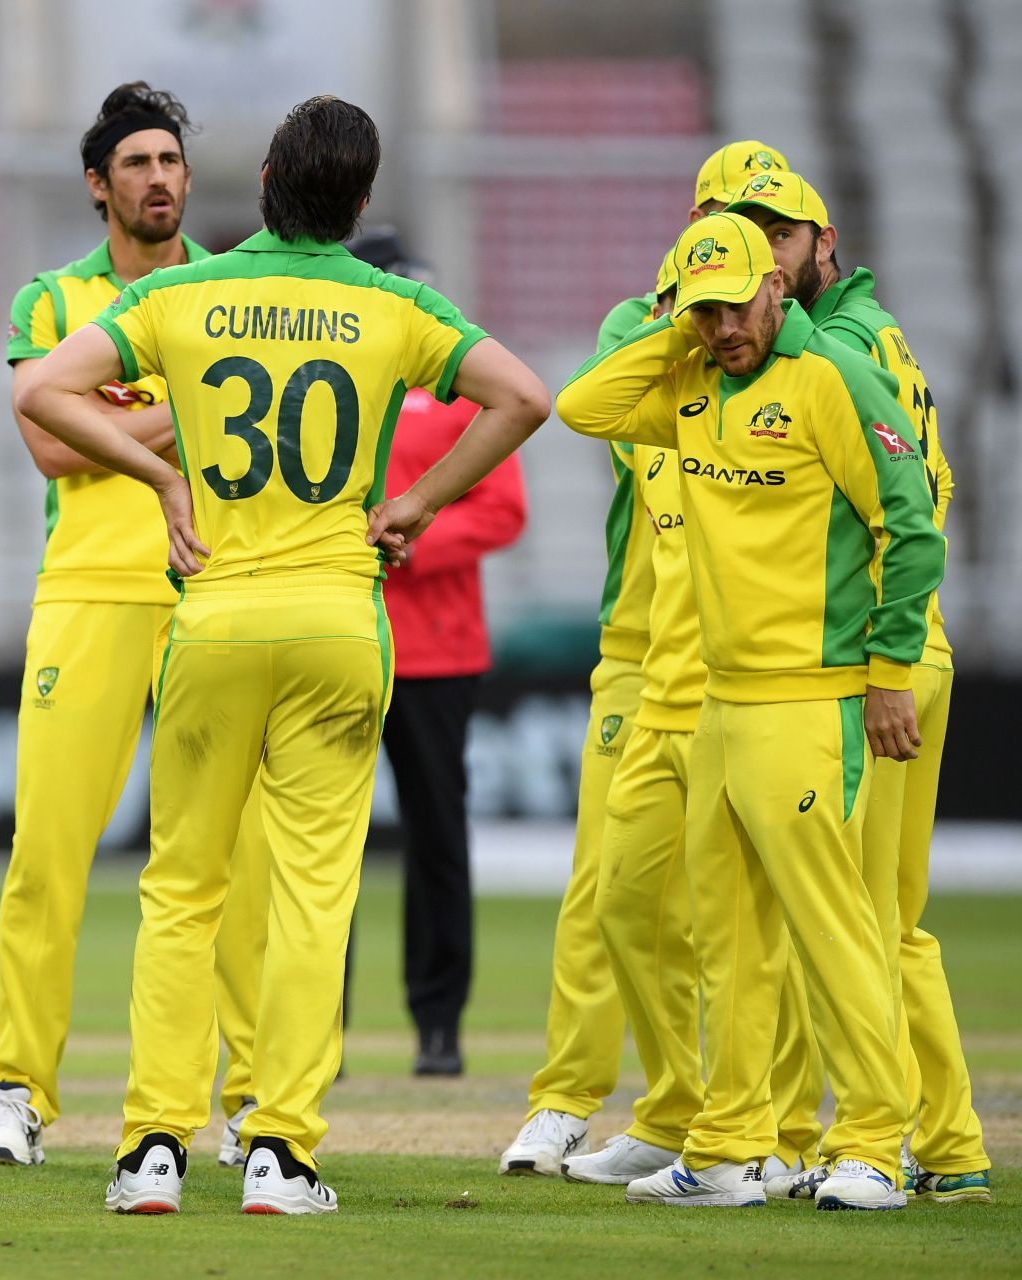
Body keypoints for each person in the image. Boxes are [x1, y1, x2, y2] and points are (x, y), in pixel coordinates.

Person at [19, 95, 550, 1215]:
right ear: (360, 202)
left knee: (182, 887)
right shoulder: (395, 302)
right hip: (337, 621)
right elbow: (525, 396)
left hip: (211, 611)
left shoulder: (181, 290)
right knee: (312, 896)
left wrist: (162, 476)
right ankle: (280, 1152)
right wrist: (414, 501)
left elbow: (41, 390)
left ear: (262, 177)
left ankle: (151, 1147)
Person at [557, 211, 944, 1211]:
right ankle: (730, 1145)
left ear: (780, 285)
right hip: (718, 703)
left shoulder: (834, 379)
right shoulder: (691, 382)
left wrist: (890, 670)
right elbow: (582, 405)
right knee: (727, 936)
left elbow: (911, 522)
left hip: (810, 698)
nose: (725, 325)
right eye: (706, 311)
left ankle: (871, 1142)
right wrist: (678, 330)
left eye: (736, 302)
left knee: (832, 924)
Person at [0, 81, 262, 1170]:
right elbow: (48, 444)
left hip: (207, 590)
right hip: (88, 592)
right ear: (99, 184)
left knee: (225, 862)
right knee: (46, 853)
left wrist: (108, 414)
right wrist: (176, 416)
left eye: (170, 161)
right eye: (134, 163)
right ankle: (17, 1089)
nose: (157, 179)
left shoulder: (232, 292)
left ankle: (247, 1098)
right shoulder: (53, 296)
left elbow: (101, 419)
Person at [499, 138, 793, 1177]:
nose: (748, 244)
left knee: (749, 902)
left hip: (760, 658)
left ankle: (763, 1127)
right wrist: (691, 321)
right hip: (646, 643)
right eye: (726, 219)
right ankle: (583, 1098)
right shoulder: (648, 325)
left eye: (766, 229)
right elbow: (597, 405)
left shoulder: (810, 352)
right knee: (610, 886)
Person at [726, 171, 992, 1204]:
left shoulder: (831, 349)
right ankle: (940, 1141)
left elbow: (911, 505)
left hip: (881, 656)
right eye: (742, 233)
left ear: (820, 239)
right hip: (914, 643)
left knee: (860, 917)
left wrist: (883, 657)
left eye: (779, 232)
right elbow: (940, 481)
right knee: (885, 914)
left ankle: (897, 1138)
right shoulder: (882, 332)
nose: (766, 251)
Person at [352, 230, 527, 1076]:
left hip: (438, 651)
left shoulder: (463, 393)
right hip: (345, 638)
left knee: (437, 840)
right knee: (322, 843)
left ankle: (439, 1027)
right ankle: (316, 1030)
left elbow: (504, 511)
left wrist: (417, 534)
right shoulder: (342, 384)